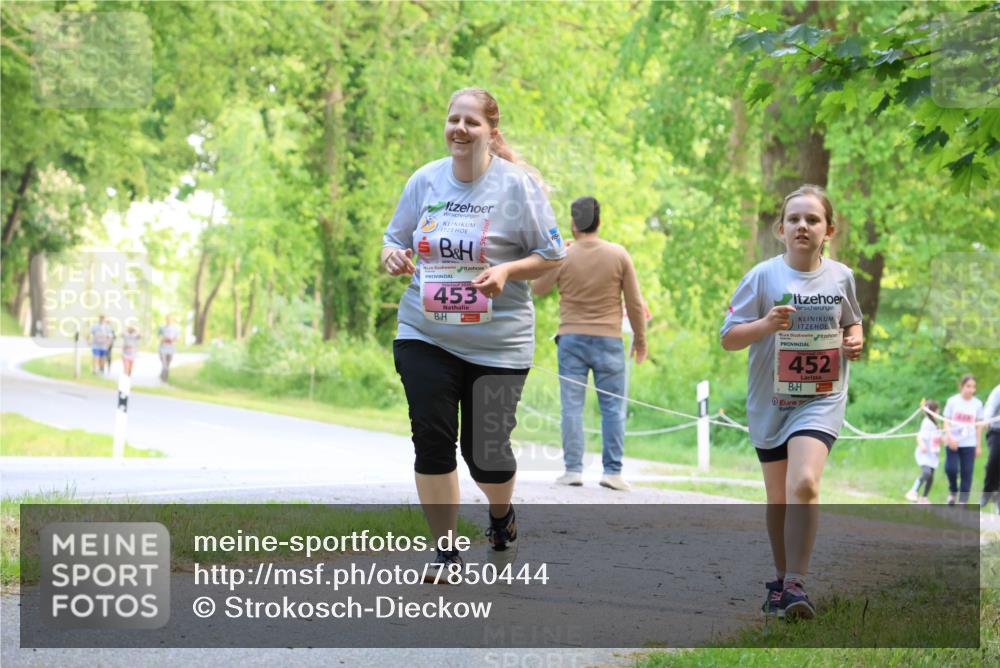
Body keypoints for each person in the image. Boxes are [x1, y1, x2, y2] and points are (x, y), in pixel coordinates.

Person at [382, 87, 565, 578]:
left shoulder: (517, 187)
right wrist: (394, 257)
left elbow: (552, 254)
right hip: (426, 333)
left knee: (485, 457)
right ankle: (445, 551)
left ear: (491, 132)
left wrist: (506, 271)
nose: (459, 129)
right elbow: (393, 240)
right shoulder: (425, 180)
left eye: (471, 122)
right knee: (432, 440)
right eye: (452, 119)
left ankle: (501, 516)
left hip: (498, 344)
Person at [720, 184, 863, 620]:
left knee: (804, 482)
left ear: (829, 230)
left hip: (820, 399)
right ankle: (782, 585)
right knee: (779, 497)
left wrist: (854, 340)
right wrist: (765, 323)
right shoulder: (763, 277)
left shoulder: (841, 277)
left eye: (813, 220)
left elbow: (853, 322)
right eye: (795, 219)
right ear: (780, 229)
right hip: (771, 401)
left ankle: (797, 584)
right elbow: (728, 337)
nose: (803, 226)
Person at [531, 196, 648, 491]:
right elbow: (634, 303)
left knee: (571, 406)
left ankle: (573, 470)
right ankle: (613, 471)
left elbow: (538, 289)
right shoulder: (618, 254)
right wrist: (641, 340)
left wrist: (555, 255)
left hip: (571, 339)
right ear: (599, 222)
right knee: (612, 408)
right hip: (609, 339)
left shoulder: (563, 255)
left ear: (573, 223)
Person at [942, 374, 984, 506]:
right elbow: (946, 422)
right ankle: (953, 491)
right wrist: (950, 437)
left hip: (969, 444)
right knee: (951, 469)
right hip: (953, 442)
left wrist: (978, 445)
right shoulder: (952, 401)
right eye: (968, 386)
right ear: (961, 386)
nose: (971, 390)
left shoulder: (977, 404)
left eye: (973, 387)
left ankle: (962, 502)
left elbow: (979, 426)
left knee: (967, 473)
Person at [906, 400, 941, 504]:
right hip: (925, 454)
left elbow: (937, 438)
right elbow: (920, 436)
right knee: (926, 473)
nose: (938, 413)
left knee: (930, 477)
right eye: (937, 411)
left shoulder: (935, 424)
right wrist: (922, 445)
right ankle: (913, 491)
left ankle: (924, 497)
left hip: (933, 455)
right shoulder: (927, 422)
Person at [980, 383, 1000, 512]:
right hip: (997, 431)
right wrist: (986, 419)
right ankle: (987, 491)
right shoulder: (998, 390)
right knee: (993, 461)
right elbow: (990, 406)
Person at [158, 315, 181, 382]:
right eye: (167, 319)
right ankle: (163, 378)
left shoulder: (176, 328)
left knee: (168, 364)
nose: (169, 320)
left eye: (170, 319)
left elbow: (178, 338)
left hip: (171, 348)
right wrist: (163, 338)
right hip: (163, 348)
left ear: (173, 320)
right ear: (166, 320)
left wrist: (173, 339)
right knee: (164, 364)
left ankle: (165, 376)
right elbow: (159, 336)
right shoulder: (162, 327)